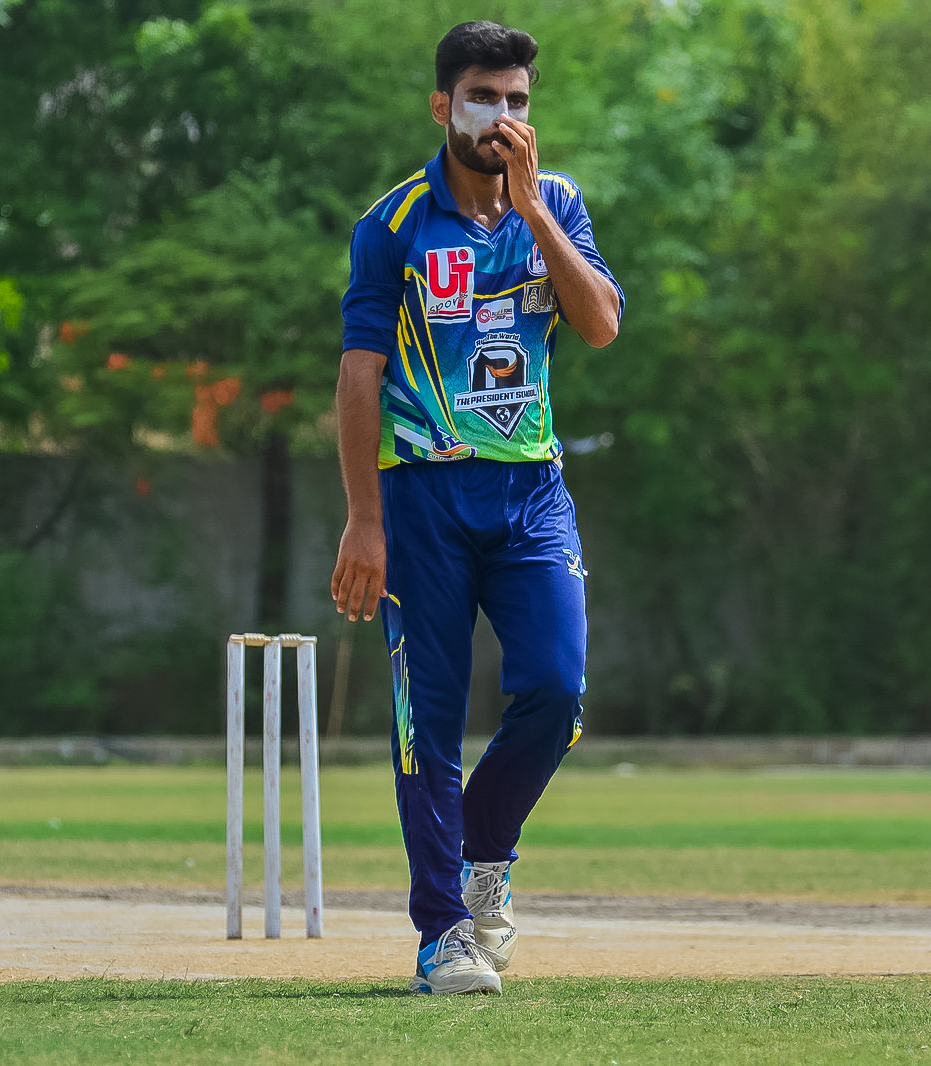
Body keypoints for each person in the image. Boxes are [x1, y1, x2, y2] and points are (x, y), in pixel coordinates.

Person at [330, 20, 624, 994]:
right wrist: (364, 519)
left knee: (556, 689)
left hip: (530, 489)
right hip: (422, 493)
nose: (503, 117)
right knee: (429, 721)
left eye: (518, 100)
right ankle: (444, 934)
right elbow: (358, 375)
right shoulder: (395, 224)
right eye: (483, 98)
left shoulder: (559, 203)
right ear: (442, 106)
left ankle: (482, 852)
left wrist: (533, 210)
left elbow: (600, 325)